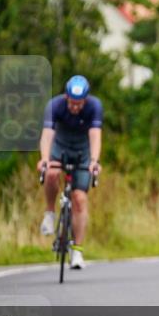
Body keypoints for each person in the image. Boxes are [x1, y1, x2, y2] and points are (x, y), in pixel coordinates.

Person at [37, 75, 103, 269]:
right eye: (72, 103)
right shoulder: (55, 105)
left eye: (79, 104)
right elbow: (47, 135)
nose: (75, 108)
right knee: (51, 174)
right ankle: (50, 213)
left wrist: (94, 161)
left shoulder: (94, 106)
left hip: (83, 152)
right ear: (66, 97)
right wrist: (44, 158)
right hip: (61, 148)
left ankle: (77, 252)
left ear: (86, 100)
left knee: (79, 199)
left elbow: (95, 135)